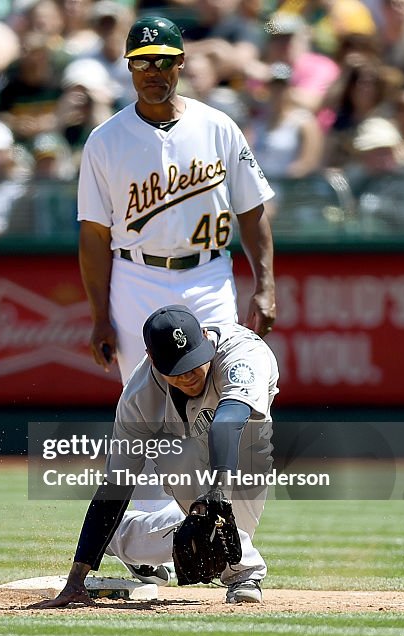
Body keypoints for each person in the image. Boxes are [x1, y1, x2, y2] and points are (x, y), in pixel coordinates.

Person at [31, 305, 278, 608]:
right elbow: (116, 485)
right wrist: (76, 580)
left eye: (194, 363)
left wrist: (218, 491)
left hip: (244, 442)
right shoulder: (139, 396)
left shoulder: (242, 352)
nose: (188, 375)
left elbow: (228, 421)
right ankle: (245, 575)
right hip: (184, 450)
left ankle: (121, 537)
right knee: (177, 457)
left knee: (225, 531)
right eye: (177, 370)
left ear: (203, 337)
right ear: (152, 359)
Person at [78, 15, 276, 387]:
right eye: (141, 60)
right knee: (145, 399)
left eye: (164, 60)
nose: (153, 70)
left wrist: (265, 287)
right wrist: (100, 316)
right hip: (135, 276)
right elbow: (93, 234)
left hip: (208, 276)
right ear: (128, 65)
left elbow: (253, 211)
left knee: (218, 389)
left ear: (181, 62)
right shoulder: (104, 140)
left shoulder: (218, 127)